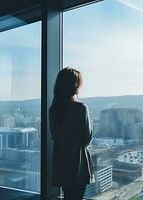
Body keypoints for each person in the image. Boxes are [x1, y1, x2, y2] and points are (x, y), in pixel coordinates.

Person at [49, 67, 94, 200]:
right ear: (74, 85)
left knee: (68, 196)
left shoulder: (53, 110)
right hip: (77, 162)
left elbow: (55, 136)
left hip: (61, 161)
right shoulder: (80, 108)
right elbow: (87, 138)